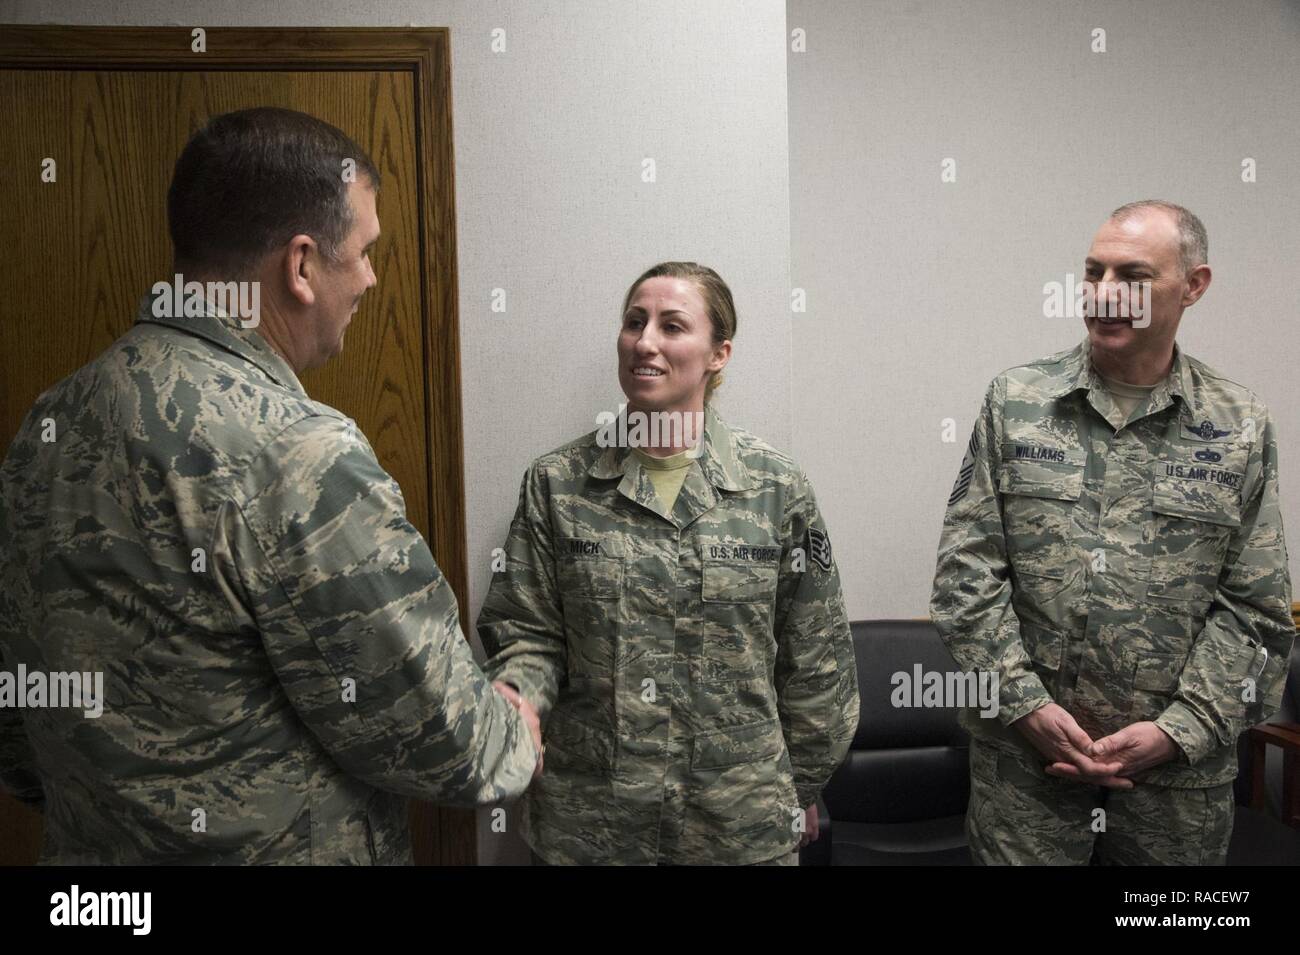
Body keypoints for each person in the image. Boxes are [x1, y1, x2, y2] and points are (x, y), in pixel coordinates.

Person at [0, 107, 540, 865]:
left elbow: (17, 727)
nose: (371, 278)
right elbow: (448, 741)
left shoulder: (47, 424)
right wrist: (513, 727)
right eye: (363, 252)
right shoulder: (293, 452)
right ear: (301, 265)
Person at [931, 200, 1295, 864]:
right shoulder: (1016, 402)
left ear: (1194, 284)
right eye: (1092, 272)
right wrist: (1025, 706)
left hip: (1176, 786)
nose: (1102, 294)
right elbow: (966, 578)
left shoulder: (1239, 423)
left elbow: (1256, 609)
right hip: (1028, 773)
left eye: (1131, 275)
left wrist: (1179, 730)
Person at [477, 261, 859, 865]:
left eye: (672, 325)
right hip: (590, 827)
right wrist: (518, 700)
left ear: (719, 354)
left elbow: (818, 662)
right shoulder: (558, 484)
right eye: (634, 322)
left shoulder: (776, 489)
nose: (644, 342)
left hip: (736, 829)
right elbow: (527, 632)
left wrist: (793, 788)